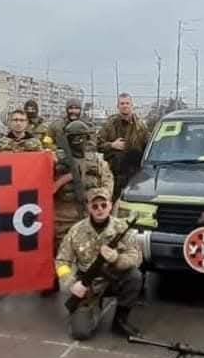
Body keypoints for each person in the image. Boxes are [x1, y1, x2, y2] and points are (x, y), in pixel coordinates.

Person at [55, 187, 143, 340]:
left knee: (134, 276)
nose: (100, 209)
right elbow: (61, 261)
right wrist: (71, 283)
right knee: (80, 332)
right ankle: (92, 309)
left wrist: (117, 259)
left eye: (103, 205)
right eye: (95, 206)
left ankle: (120, 320)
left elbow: (136, 258)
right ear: (88, 207)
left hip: (113, 279)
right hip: (88, 284)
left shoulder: (121, 227)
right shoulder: (76, 231)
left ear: (110, 205)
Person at [49, 120, 114, 294]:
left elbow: (108, 182)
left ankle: (87, 287)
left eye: (81, 137)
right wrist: (61, 178)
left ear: (87, 138)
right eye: (74, 137)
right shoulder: (55, 159)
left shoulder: (97, 160)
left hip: (89, 212)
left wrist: (98, 199)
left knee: (90, 253)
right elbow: (45, 186)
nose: (78, 141)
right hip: (63, 214)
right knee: (59, 252)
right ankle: (53, 279)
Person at [96, 93, 150, 201]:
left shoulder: (140, 126)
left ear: (132, 105)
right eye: (122, 103)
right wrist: (112, 145)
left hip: (134, 174)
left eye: (127, 103)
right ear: (118, 106)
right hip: (113, 173)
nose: (125, 106)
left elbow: (148, 145)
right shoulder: (110, 124)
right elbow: (97, 144)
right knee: (110, 202)